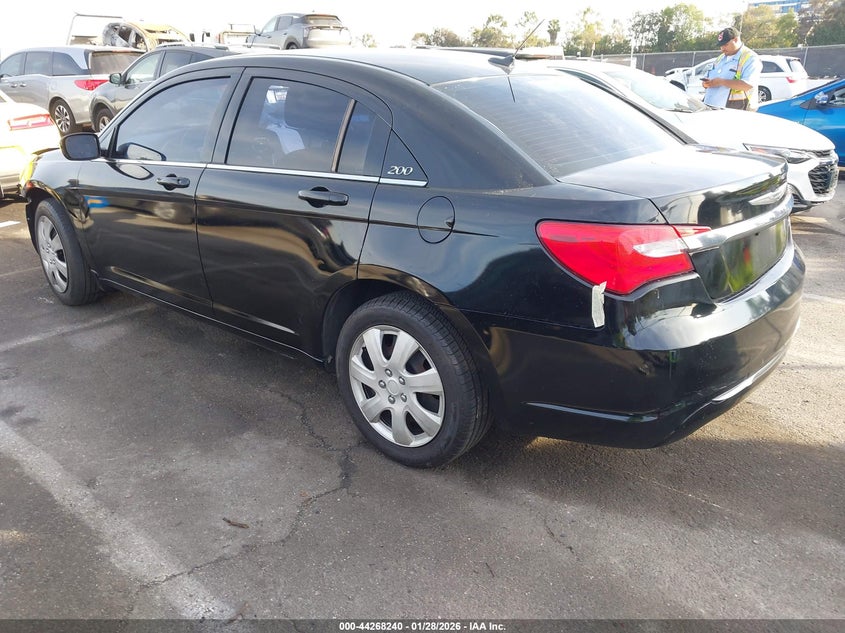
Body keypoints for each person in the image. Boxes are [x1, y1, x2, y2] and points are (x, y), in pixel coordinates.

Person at [701, 27, 763, 110]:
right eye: (720, 45)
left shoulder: (751, 58)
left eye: (725, 45)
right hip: (710, 108)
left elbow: (748, 85)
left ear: (736, 40)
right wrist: (706, 84)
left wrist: (721, 82)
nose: (722, 49)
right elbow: (708, 77)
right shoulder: (720, 58)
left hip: (736, 110)